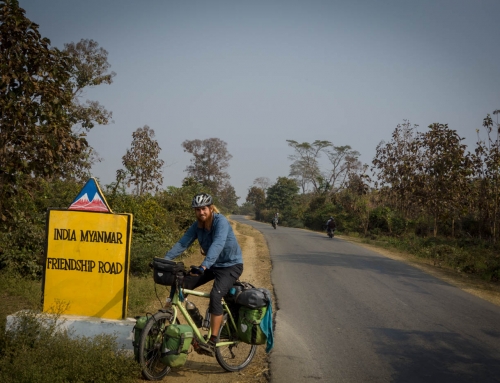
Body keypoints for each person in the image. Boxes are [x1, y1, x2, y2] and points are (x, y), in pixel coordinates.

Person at [163, 193, 243, 356]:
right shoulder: (197, 226)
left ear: (211, 208)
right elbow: (183, 243)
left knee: (215, 295)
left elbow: (218, 244)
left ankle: (213, 340)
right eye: (197, 209)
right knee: (181, 283)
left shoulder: (221, 222)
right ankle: (182, 316)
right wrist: (164, 260)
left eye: (204, 209)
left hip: (230, 265)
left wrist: (204, 265)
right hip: (212, 265)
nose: (201, 212)